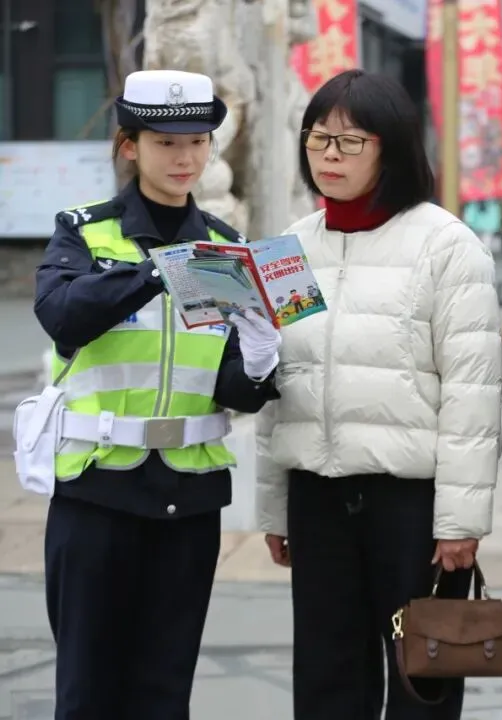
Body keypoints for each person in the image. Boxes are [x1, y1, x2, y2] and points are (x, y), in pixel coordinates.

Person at [253, 68, 502, 720]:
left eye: (350, 141)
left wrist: (459, 523)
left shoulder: (447, 247)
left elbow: (473, 393)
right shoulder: (288, 250)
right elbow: (280, 385)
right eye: (317, 139)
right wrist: (275, 507)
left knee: (423, 684)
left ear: (390, 148)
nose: (329, 156)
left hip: (411, 508)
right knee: (327, 681)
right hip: (317, 498)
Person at [32, 69, 282, 719]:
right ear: (129, 145)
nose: (185, 157)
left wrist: (260, 361)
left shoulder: (226, 249)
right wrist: (155, 271)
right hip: (97, 493)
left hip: (188, 500)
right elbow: (62, 316)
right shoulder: (85, 234)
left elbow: (233, 388)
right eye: (166, 142)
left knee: (165, 693)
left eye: (197, 142)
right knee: (88, 693)